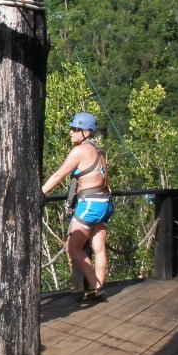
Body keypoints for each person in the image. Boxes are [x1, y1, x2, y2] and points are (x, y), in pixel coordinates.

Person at [41, 112, 113, 304]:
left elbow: (58, 175)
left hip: (89, 204)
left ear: (86, 132)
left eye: (76, 129)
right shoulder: (98, 151)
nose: (71, 132)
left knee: (73, 249)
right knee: (98, 248)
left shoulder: (80, 151)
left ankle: (95, 287)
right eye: (72, 128)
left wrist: (39, 193)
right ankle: (99, 289)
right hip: (104, 202)